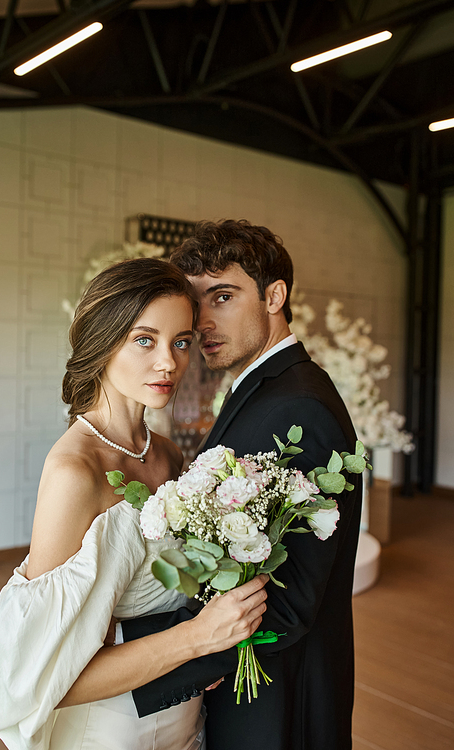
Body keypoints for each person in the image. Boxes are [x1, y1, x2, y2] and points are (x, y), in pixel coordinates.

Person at [0, 257, 268, 750]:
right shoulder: (76, 472)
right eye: (144, 340)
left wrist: (202, 653)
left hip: (181, 705)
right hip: (110, 730)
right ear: (103, 341)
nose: (169, 363)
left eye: (181, 342)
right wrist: (199, 639)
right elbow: (40, 679)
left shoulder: (170, 454)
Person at [120, 221, 363, 750]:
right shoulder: (260, 387)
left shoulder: (298, 405)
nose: (203, 321)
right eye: (196, 302)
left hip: (279, 703)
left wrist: (132, 655)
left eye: (223, 296)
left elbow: (291, 600)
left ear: (275, 296)